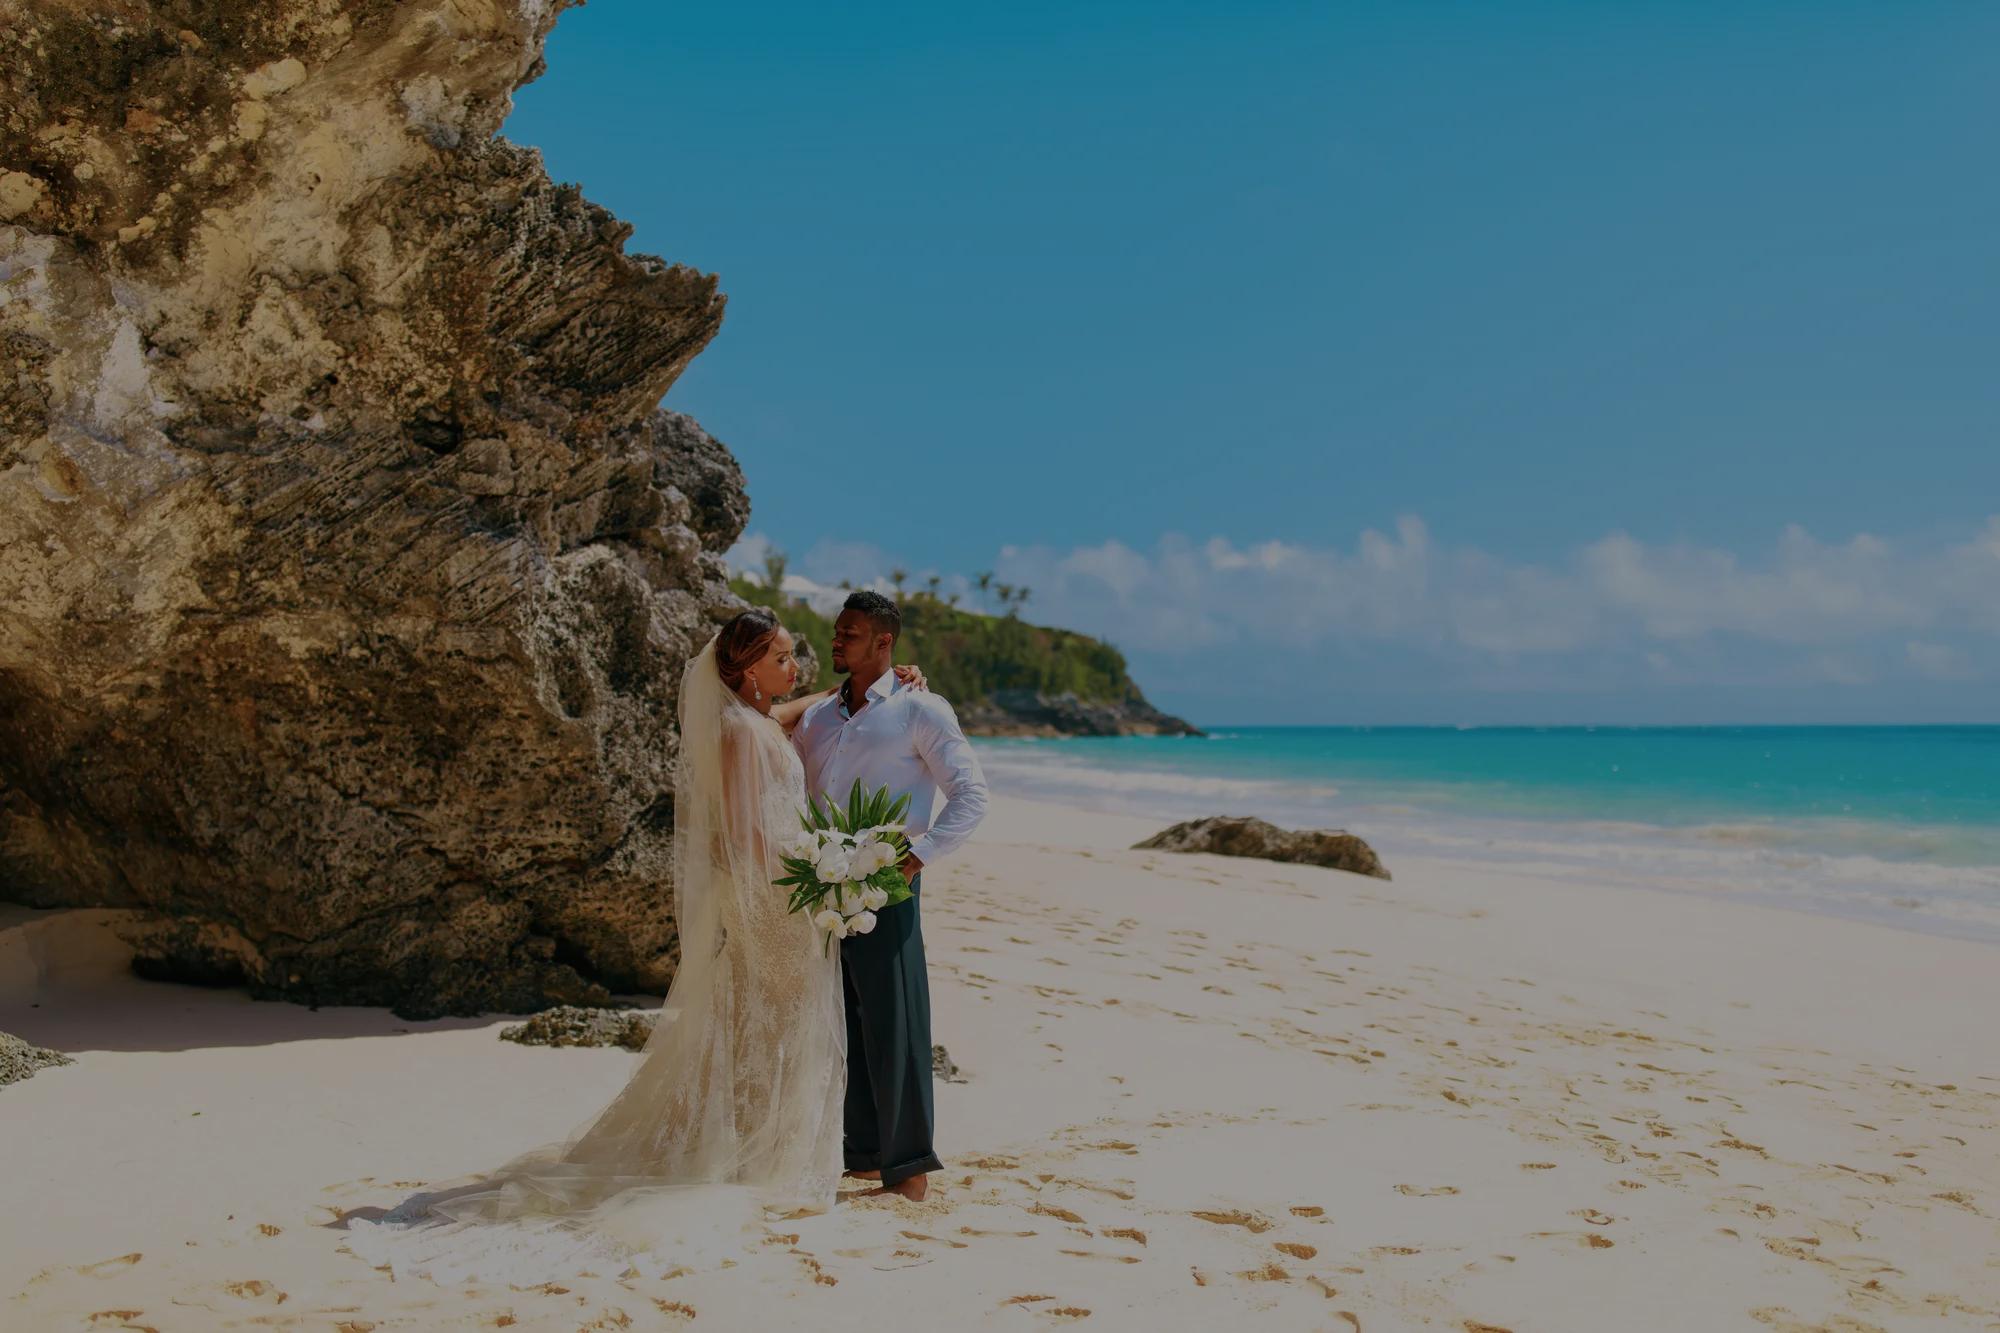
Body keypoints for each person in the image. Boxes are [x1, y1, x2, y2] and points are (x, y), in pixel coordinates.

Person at [341, 609, 926, 1284]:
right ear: (744, 668)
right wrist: (815, 872)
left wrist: (860, 688)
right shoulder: (738, 733)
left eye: (793, 656)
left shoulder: (758, 719)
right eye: (782, 657)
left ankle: (758, 1150)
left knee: (773, 1023)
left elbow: (789, 713)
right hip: (772, 894)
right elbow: (742, 833)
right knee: (771, 1020)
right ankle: (746, 1154)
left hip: (786, 892)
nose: (794, 667)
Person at [790, 591, 989, 1203]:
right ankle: (866, 1156)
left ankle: (909, 1171)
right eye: (836, 631)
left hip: (888, 880)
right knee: (846, 1020)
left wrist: (917, 856)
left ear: (885, 642)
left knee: (897, 1018)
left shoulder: (920, 709)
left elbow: (971, 796)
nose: (836, 641)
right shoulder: (819, 718)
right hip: (822, 882)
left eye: (850, 633)